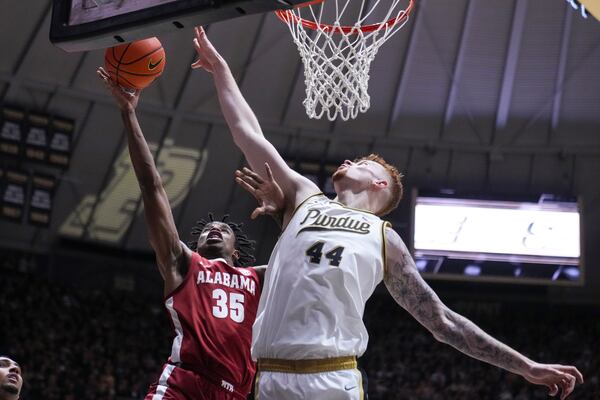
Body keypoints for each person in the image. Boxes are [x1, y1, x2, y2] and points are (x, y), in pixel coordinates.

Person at [190, 26, 584, 400]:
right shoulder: (304, 198)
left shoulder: (385, 239)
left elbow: (442, 322)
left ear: (380, 185)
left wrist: (526, 367)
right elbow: (248, 134)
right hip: (268, 377)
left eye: (362, 162)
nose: (349, 160)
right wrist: (222, 71)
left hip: (329, 379)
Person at [96, 67, 284, 400]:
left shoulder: (259, 278)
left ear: (236, 252)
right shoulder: (184, 264)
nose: (214, 229)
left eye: (223, 229)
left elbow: (308, 256)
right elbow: (152, 187)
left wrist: (283, 211)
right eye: (208, 228)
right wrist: (129, 114)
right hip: (184, 385)